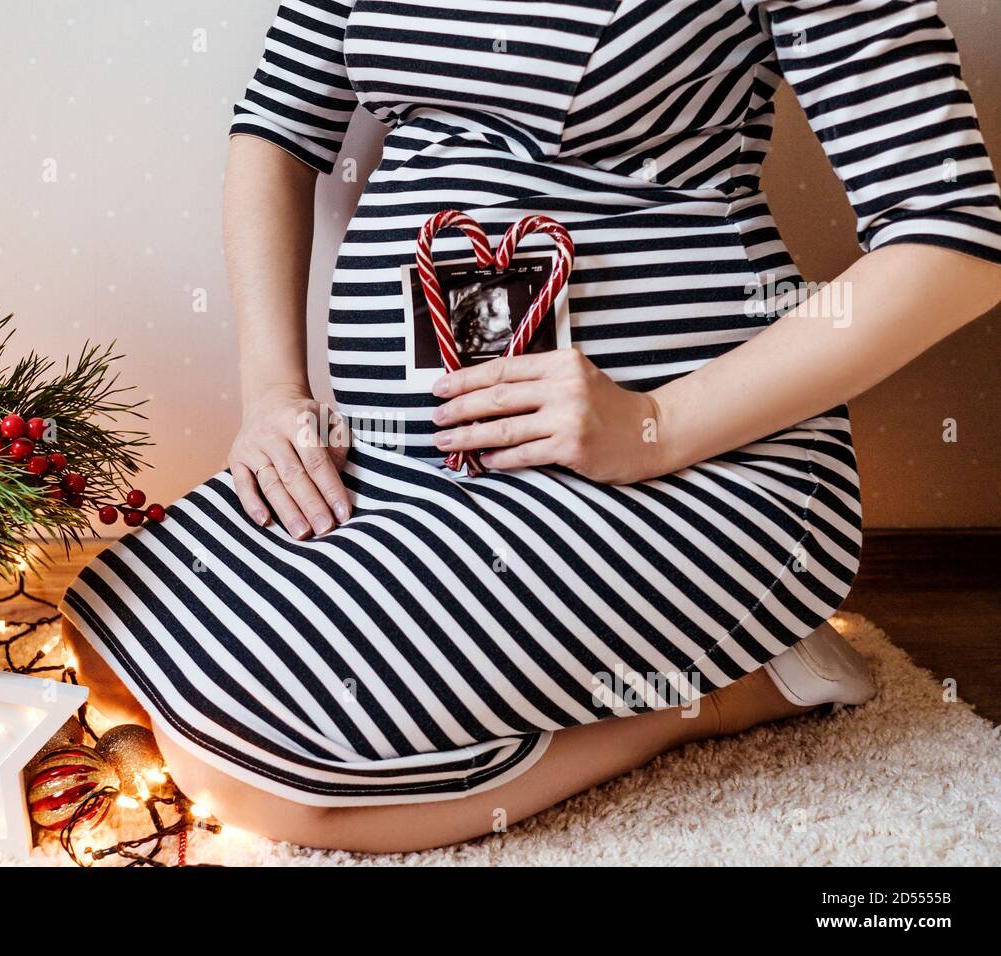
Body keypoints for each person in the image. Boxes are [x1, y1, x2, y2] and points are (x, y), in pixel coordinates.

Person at [63, 0, 1001, 852]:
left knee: (257, 783)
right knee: (102, 640)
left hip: (684, 470)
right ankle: (631, 654)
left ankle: (726, 695)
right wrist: (274, 394)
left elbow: (952, 239)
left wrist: (656, 426)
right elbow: (277, 128)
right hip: (407, 461)